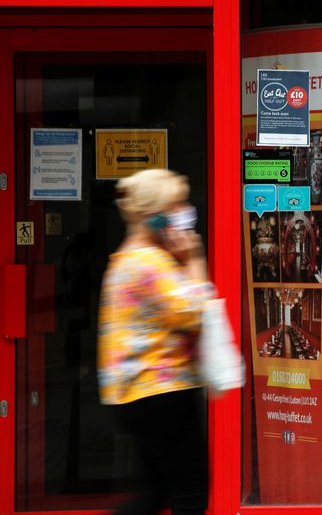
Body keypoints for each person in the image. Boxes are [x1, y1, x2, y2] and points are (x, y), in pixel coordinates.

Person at [98, 169, 211, 515]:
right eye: (178, 204)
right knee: (191, 494)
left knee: (155, 492)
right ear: (155, 215)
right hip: (161, 391)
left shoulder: (127, 256)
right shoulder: (149, 262)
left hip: (139, 393)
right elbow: (194, 314)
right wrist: (194, 260)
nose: (186, 210)